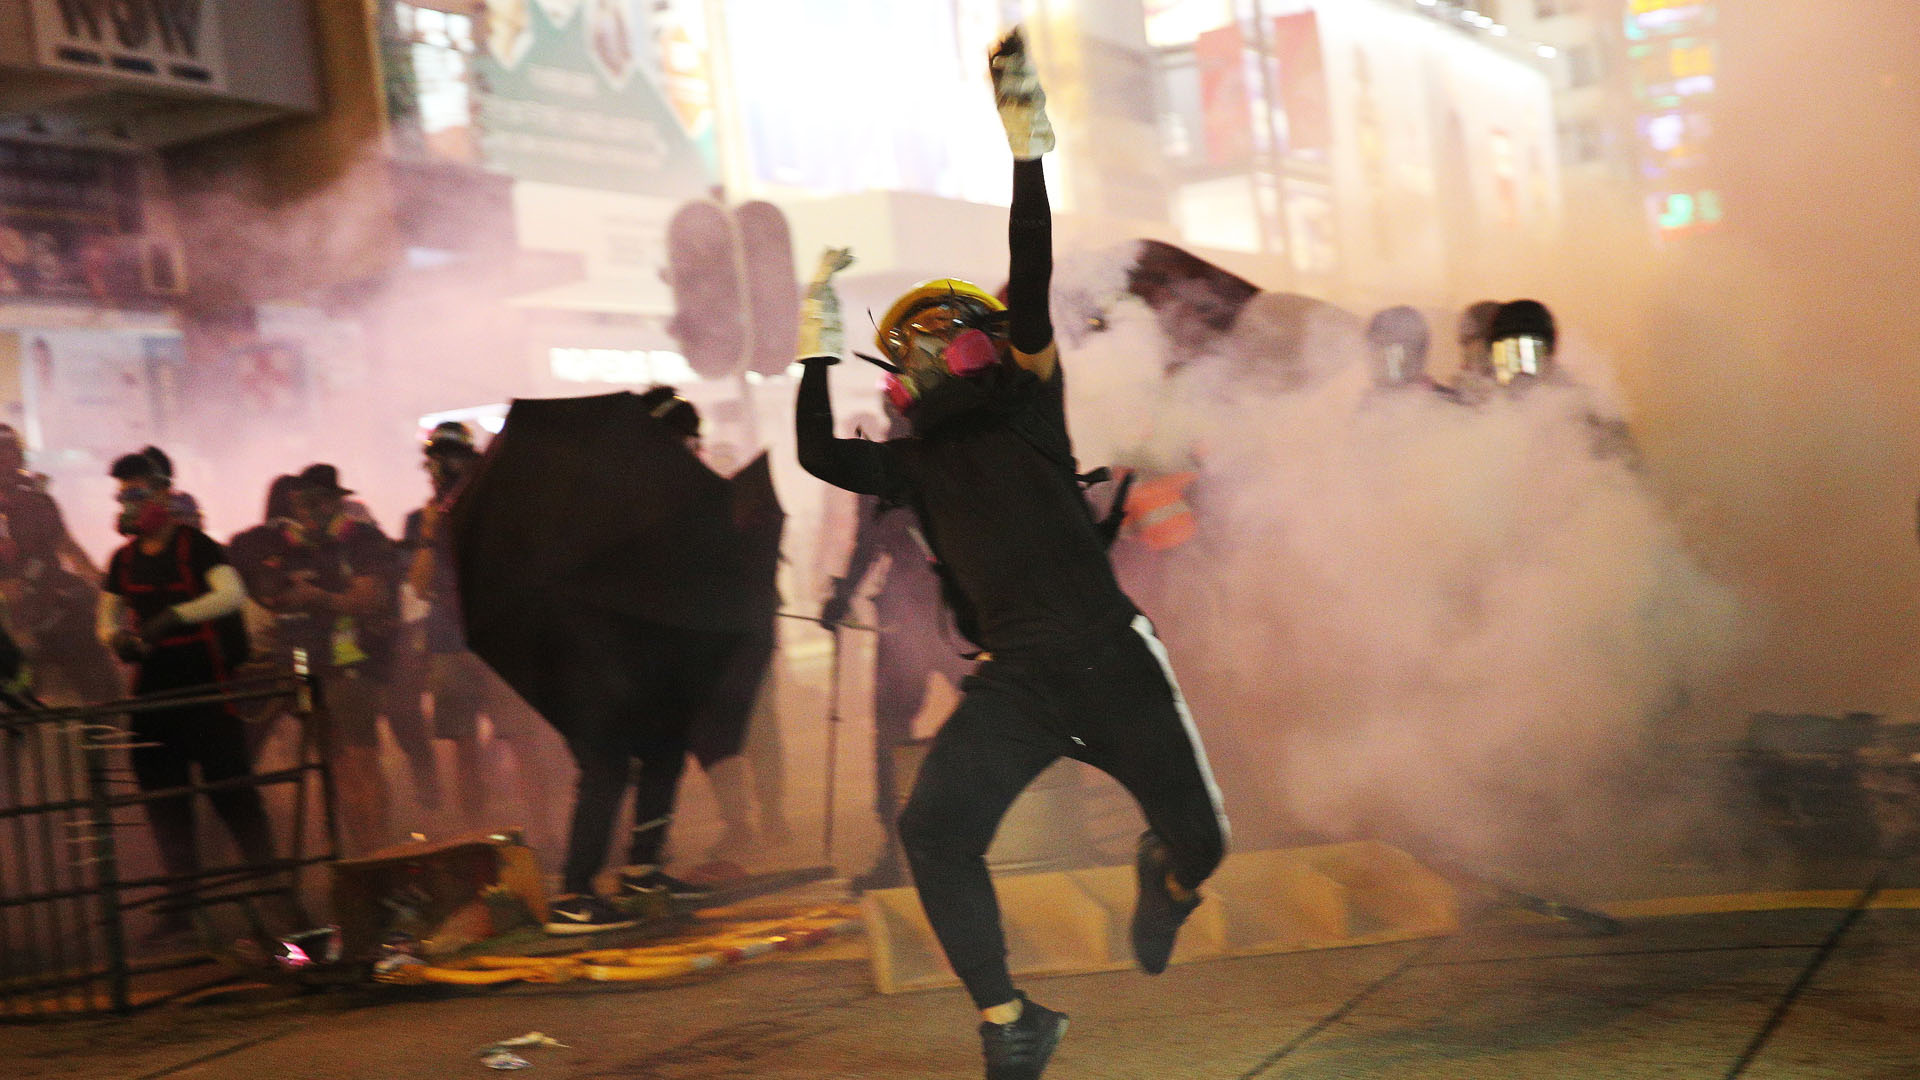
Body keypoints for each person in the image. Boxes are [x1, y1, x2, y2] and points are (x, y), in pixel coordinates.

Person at [793, 29, 1227, 1080]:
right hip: (1022, 680)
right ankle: (1010, 1021)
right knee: (934, 834)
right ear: (904, 372)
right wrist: (813, 331)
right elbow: (814, 451)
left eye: (951, 328)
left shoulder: (1032, 409)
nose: (938, 346)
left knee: (1207, 847)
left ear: (981, 340)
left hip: (1114, 657)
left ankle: (1166, 878)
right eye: (916, 340)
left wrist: (1027, 146)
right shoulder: (910, 465)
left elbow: (1029, 266)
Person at [543, 388, 746, 933]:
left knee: (664, 750)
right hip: (586, 661)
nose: (691, 454)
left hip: (634, 660)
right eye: (682, 442)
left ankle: (643, 868)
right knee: (605, 768)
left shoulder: (657, 498)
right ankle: (572, 892)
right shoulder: (600, 498)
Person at [97, 451, 273, 941]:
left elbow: (230, 594)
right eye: (124, 494)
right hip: (153, 699)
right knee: (165, 804)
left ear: (163, 493)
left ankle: (273, 892)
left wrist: (174, 617)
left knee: (233, 795)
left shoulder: (198, 547)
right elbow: (106, 617)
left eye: (138, 493)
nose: (130, 503)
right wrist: (118, 640)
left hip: (205, 691)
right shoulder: (123, 560)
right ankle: (183, 908)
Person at [820, 405, 977, 892]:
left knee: (893, 732)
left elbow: (869, 542)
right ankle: (905, 845)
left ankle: (901, 847)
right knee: (991, 714)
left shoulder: (886, 467)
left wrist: (843, 594)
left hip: (928, 613)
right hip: (952, 612)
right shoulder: (959, 459)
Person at [404, 421, 562, 843]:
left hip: (496, 639)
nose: (445, 469)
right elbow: (418, 585)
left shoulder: (495, 509)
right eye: (439, 461)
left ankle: (544, 833)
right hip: (448, 644)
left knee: (522, 739)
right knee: (463, 746)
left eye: (453, 459)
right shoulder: (421, 520)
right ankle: (478, 839)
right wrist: (428, 532)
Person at [275, 464, 402, 853]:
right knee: (337, 767)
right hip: (307, 668)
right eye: (299, 502)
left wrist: (316, 598)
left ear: (333, 501)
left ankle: (380, 850)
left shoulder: (361, 539)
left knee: (362, 760)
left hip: (354, 667)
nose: (305, 510)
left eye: (314, 501)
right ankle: (362, 852)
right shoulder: (291, 546)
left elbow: (372, 599)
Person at [0, 424, 120, 703]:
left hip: (54, 597)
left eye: (9, 452)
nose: (6, 460)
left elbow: (65, 544)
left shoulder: (38, 501)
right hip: (15, 614)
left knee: (95, 664)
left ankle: (106, 722)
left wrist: (100, 580)